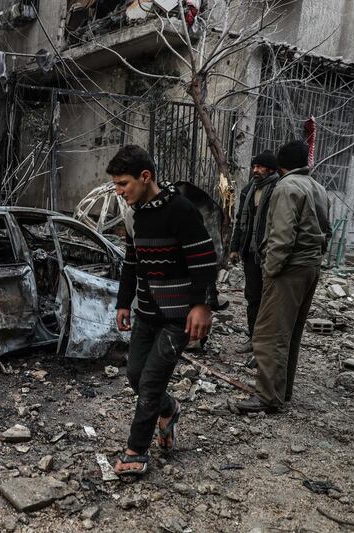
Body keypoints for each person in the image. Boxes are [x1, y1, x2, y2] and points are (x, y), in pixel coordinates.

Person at [109, 145, 216, 476]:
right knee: (135, 376)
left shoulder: (180, 211)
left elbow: (203, 261)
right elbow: (131, 262)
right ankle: (169, 410)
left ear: (146, 177)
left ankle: (136, 450)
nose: (119, 191)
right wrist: (124, 302)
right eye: (116, 185)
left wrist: (201, 305)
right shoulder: (133, 215)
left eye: (123, 184)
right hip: (147, 313)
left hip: (178, 316)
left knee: (151, 382)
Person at [235, 140, 331, 414]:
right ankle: (282, 390)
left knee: (269, 333)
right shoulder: (318, 187)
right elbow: (326, 231)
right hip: (310, 266)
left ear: (281, 164)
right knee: (291, 332)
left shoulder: (286, 187)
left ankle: (267, 396)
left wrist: (270, 271)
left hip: (288, 268)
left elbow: (281, 235)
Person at [228, 152, 280, 357]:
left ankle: (266, 344)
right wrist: (234, 247)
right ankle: (253, 337)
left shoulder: (278, 189)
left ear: (271, 169)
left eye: (260, 167)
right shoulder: (250, 189)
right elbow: (241, 219)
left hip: (269, 253)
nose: (256, 170)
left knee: (270, 300)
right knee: (252, 297)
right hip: (250, 253)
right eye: (254, 166)